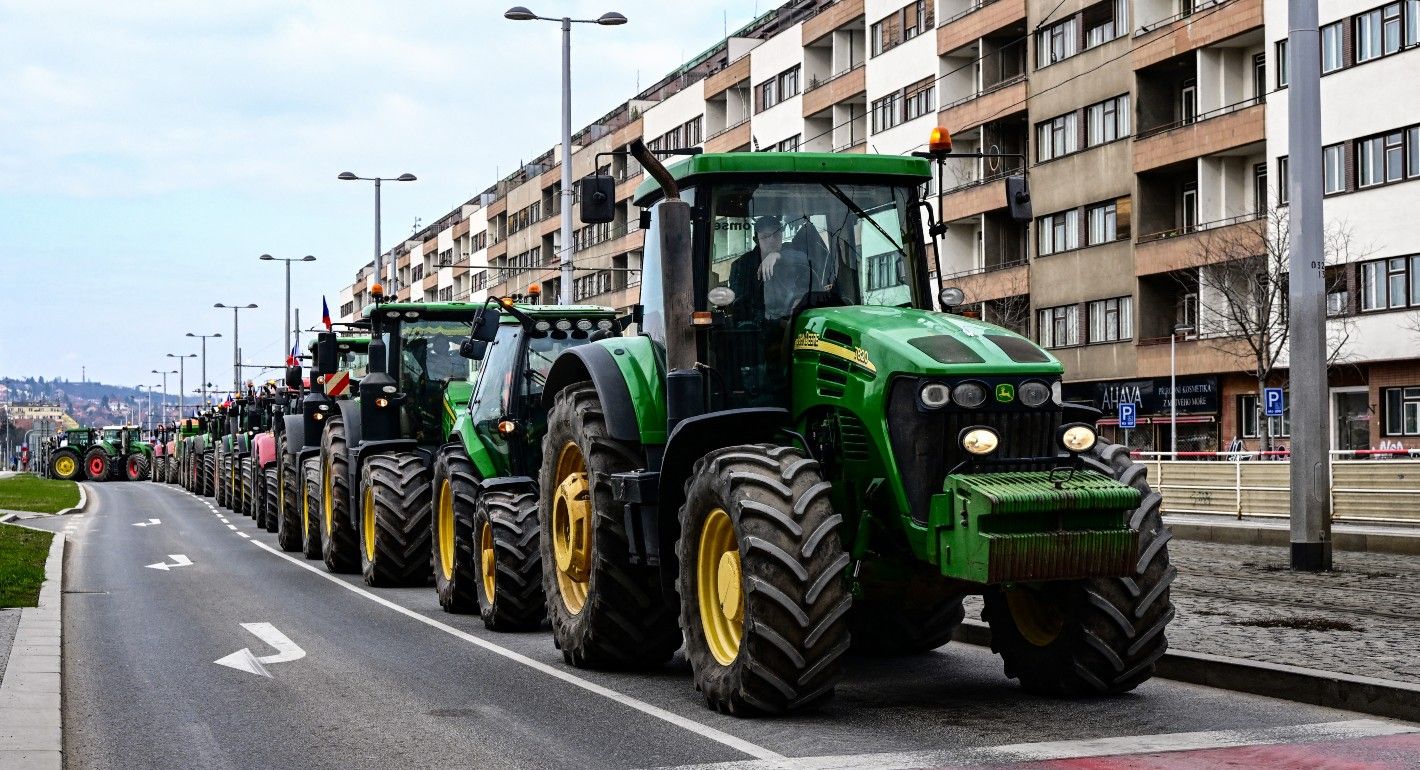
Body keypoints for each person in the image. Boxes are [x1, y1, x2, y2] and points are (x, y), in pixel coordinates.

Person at [727, 216, 813, 322]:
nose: (771, 240)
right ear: (756, 240)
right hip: (757, 323)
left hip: (792, 318)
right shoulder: (742, 265)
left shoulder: (792, 251)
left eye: (776, 235)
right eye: (765, 237)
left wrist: (778, 256)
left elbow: (806, 260)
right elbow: (738, 301)